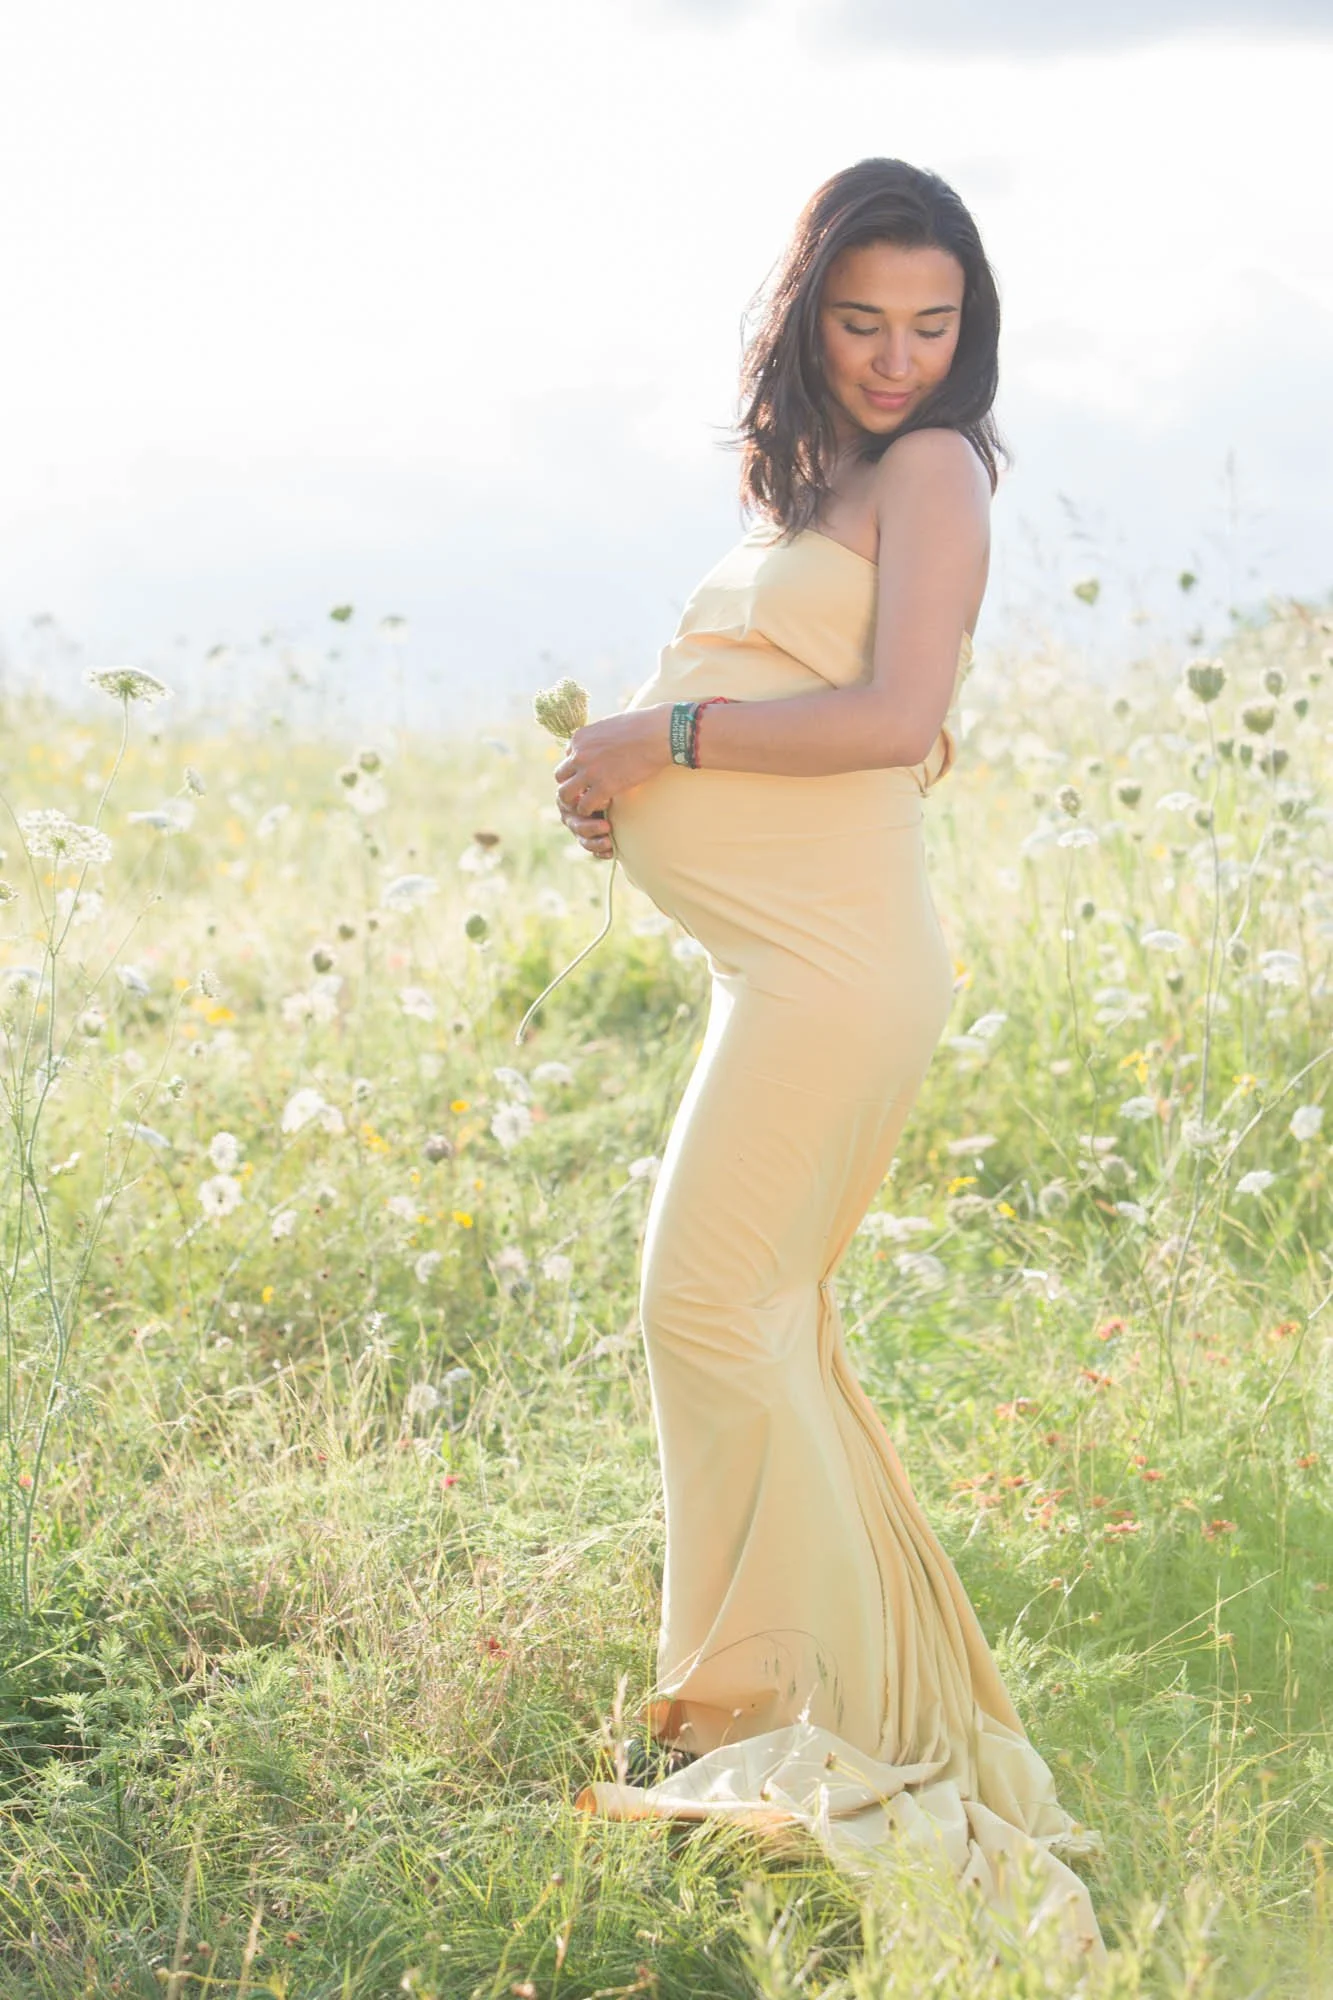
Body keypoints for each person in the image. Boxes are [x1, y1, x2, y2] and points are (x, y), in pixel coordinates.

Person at [551, 157, 1106, 1965]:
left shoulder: (939, 470)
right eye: (864, 321)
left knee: (708, 1312)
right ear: (809, 319)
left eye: (933, 326)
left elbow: (896, 720)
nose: (898, 357)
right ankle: (794, 1712)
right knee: (759, 1323)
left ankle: (770, 1725)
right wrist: (647, 789)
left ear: (972, 332)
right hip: (781, 961)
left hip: (840, 972)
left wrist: (671, 732)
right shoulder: (836, 478)